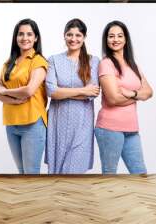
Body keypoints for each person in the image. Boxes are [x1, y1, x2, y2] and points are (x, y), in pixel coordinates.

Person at [95, 21, 153, 174]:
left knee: (140, 172)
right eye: (111, 36)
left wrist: (132, 93)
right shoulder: (106, 63)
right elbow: (113, 99)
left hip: (132, 128)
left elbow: (149, 91)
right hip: (110, 128)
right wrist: (139, 96)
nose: (115, 39)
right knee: (110, 173)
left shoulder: (132, 64)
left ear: (126, 39)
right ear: (106, 40)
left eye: (120, 36)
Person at [45, 18, 100, 174]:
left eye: (78, 35)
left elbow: (93, 93)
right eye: (69, 35)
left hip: (82, 124)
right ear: (64, 36)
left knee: (74, 172)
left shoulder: (93, 61)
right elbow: (51, 92)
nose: (73, 39)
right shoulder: (54, 60)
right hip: (57, 123)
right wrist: (83, 90)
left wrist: (63, 92)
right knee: (56, 172)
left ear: (84, 37)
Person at [0, 19, 48, 174]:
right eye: (21, 34)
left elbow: (29, 90)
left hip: (33, 124)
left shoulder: (39, 61)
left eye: (29, 34)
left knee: (31, 172)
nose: (25, 38)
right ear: (16, 38)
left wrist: (6, 92)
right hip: (11, 123)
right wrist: (15, 100)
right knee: (21, 172)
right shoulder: (8, 63)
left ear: (36, 38)